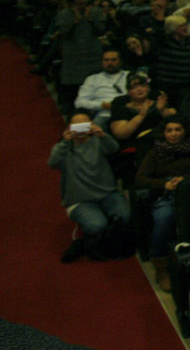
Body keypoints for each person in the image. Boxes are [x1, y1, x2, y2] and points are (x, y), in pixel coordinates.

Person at [134, 117, 190, 291]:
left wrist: (187, 180)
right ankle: (161, 268)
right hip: (167, 193)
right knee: (163, 218)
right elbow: (140, 178)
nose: (174, 134)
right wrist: (164, 184)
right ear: (164, 133)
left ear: (185, 130)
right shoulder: (155, 152)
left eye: (178, 129)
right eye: (169, 130)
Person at [48, 112, 130, 262]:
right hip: (80, 200)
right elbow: (52, 163)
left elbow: (114, 148)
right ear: (69, 127)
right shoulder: (63, 148)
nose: (80, 129)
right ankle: (83, 239)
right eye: (76, 125)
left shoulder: (98, 142)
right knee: (96, 225)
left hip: (107, 194)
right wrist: (65, 142)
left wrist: (102, 135)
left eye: (84, 125)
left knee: (125, 216)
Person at [73, 49, 128, 130]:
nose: (109, 63)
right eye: (106, 60)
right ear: (102, 62)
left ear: (120, 61)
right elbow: (79, 103)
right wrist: (101, 105)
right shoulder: (92, 79)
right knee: (79, 129)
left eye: (113, 60)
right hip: (102, 114)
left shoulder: (130, 75)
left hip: (126, 112)